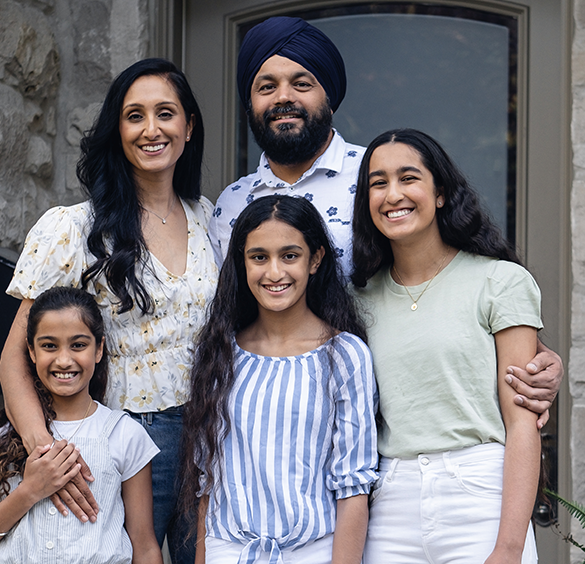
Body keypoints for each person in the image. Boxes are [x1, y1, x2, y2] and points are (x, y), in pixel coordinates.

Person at [206, 16, 562, 421]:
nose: (283, 97)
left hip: (388, 415)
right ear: (249, 102)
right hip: (272, 414)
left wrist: (532, 353)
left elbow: (449, 282)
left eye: (301, 84)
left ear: (329, 95)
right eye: (266, 86)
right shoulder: (231, 205)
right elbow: (228, 317)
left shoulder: (378, 180)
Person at [0, 59, 215, 564]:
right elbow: (14, 360)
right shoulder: (74, 229)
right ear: (117, 130)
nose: (151, 129)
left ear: (189, 126)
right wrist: (44, 452)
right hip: (123, 439)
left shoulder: (211, 218)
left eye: (166, 113)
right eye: (134, 115)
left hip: (210, 436)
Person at [352, 129, 542, 563]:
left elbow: (522, 424)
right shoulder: (355, 300)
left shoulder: (499, 281)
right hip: (391, 501)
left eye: (408, 178)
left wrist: (509, 546)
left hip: (481, 495)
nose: (392, 194)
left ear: (440, 193)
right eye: (378, 183)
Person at [181, 195, 377, 564]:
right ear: (241, 262)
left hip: (314, 553)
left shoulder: (345, 355)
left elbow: (353, 486)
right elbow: (208, 482)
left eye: (289, 256)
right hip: (229, 550)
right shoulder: (219, 354)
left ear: (315, 259)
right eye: (259, 257)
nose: (274, 273)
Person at [0, 287, 162, 564]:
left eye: (78, 345)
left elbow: (144, 547)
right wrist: (29, 492)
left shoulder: (124, 434)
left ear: (99, 349)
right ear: (31, 351)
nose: (64, 360)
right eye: (49, 345)